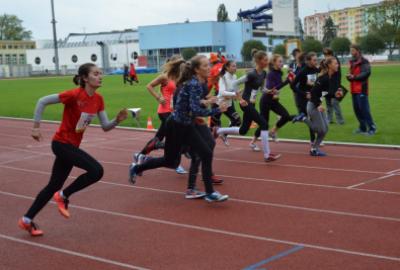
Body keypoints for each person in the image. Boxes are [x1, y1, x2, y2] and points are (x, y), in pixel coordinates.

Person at [18, 63, 128, 236]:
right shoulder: (74, 94)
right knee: (96, 170)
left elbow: (105, 126)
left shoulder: (98, 99)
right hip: (61, 144)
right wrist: (35, 127)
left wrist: (117, 120)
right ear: (85, 78)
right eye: (96, 73)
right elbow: (42, 101)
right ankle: (63, 196)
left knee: (53, 185)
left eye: (101, 73)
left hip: (72, 146)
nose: (100, 76)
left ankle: (26, 220)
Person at [129, 55, 229, 202]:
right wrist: (217, 110)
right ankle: (137, 168)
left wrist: (207, 102)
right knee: (171, 161)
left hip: (185, 125)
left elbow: (191, 106)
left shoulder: (195, 82)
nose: (209, 68)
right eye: (205, 66)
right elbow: (195, 110)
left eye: (209, 65)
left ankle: (209, 192)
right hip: (176, 126)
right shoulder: (193, 84)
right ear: (196, 69)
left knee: (205, 153)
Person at [217, 49, 281, 162]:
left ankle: (220, 130)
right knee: (264, 124)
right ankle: (267, 155)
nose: (267, 62)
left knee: (243, 130)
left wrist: (270, 91)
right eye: (265, 60)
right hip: (245, 103)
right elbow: (235, 83)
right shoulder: (251, 74)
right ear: (259, 61)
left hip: (252, 103)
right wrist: (240, 99)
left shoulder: (264, 73)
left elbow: (262, 89)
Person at [134, 55, 187, 174]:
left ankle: (140, 156)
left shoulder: (180, 77)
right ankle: (175, 162)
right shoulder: (165, 76)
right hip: (165, 111)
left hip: (174, 112)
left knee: (159, 137)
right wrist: (158, 97)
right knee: (174, 139)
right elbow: (149, 86)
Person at [295, 57, 343, 156]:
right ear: (329, 65)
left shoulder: (329, 77)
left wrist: (335, 95)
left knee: (325, 129)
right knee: (319, 129)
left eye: (337, 63)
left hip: (318, 105)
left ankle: (314, 150)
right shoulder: (323, 78)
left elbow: (324, 93)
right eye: (335, 63)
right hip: (313, 105)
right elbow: (313, 93)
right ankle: (303, 118)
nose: (338, 65)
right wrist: (318, 105)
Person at [254, 54, 296, 142]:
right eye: (280, 61)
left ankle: (272, 131)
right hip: (265, 101)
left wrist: (289, 80)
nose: (282, 63)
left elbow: (278, 87)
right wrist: (287, 81)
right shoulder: (270, 74)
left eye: (282, 61)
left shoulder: (279, 73)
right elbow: (273, 89)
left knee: (286, 116)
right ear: (274, 63)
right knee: (264, 123)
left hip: (274, 101)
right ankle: (253, 142)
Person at [291, 52, 320, 145]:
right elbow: (292, 85)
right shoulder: (303, 71)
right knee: (311, 118)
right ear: (308, 61)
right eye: (314, 60)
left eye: (317, 60)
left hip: (311, 97)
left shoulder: (315, 69)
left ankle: (299, 117)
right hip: (302, 98)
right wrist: (304, 94)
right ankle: (313, 141)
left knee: (312, 118)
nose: (316, 62)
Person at [347, 44, 376, 135]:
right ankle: (362, 127)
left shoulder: (364, 61)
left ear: (358, 50)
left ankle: (372, 128)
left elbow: (366, 73)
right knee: (357, 110)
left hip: (362, 89)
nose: (351, 52)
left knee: (364, 109)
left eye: (353, 50)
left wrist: (353, 77)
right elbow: (352, 76)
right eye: (350, 50)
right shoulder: (352, 62)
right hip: (353, 89)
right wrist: (349, 77)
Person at [216, 60, 243, 146]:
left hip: (229, 104)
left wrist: (238, 95)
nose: (235, 68)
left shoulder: (234, 76)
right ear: (227, 68)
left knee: (237, 120)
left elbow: (235, 90)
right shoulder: (223, 77)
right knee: (212, 128)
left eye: (236, 66)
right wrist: (234, 94)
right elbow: (222, 92)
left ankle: (224, 134)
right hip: (219, 104)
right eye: (233, 66)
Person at [323, 48, 344, 125]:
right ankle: (329, 119)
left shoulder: (335, 61)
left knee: (335, 102)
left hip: (335, 84)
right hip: (327, 85)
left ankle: (340, 120)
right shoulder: (325, 61)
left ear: (331, 54)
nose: (326, 56)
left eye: (327, 55)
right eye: (325, 55)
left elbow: (338, 74)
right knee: (328, 103)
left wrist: (338, 86)